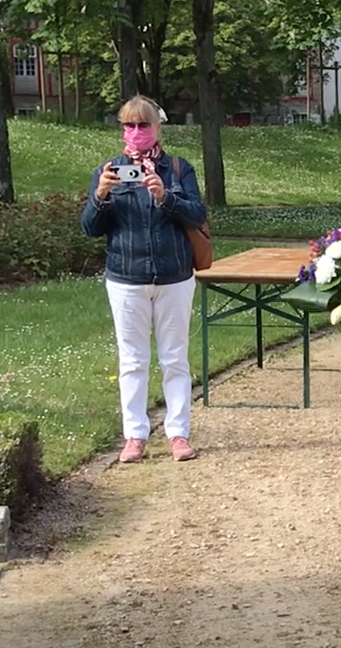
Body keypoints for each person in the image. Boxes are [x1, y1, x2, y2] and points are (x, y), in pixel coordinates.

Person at [80, 95, 207, 463]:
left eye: (143, 125)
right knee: (133, 361)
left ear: (157, 128)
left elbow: (197, 214)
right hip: (126, 279)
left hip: (174, 277)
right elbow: (90, 228)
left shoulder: (179, 169)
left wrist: (165, 196)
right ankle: (135, 436)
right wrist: (101, 195)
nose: (136, 132)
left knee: (174, 358)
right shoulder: (109, 170)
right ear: (123, 129)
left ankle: (178, 433)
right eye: (129, 125)